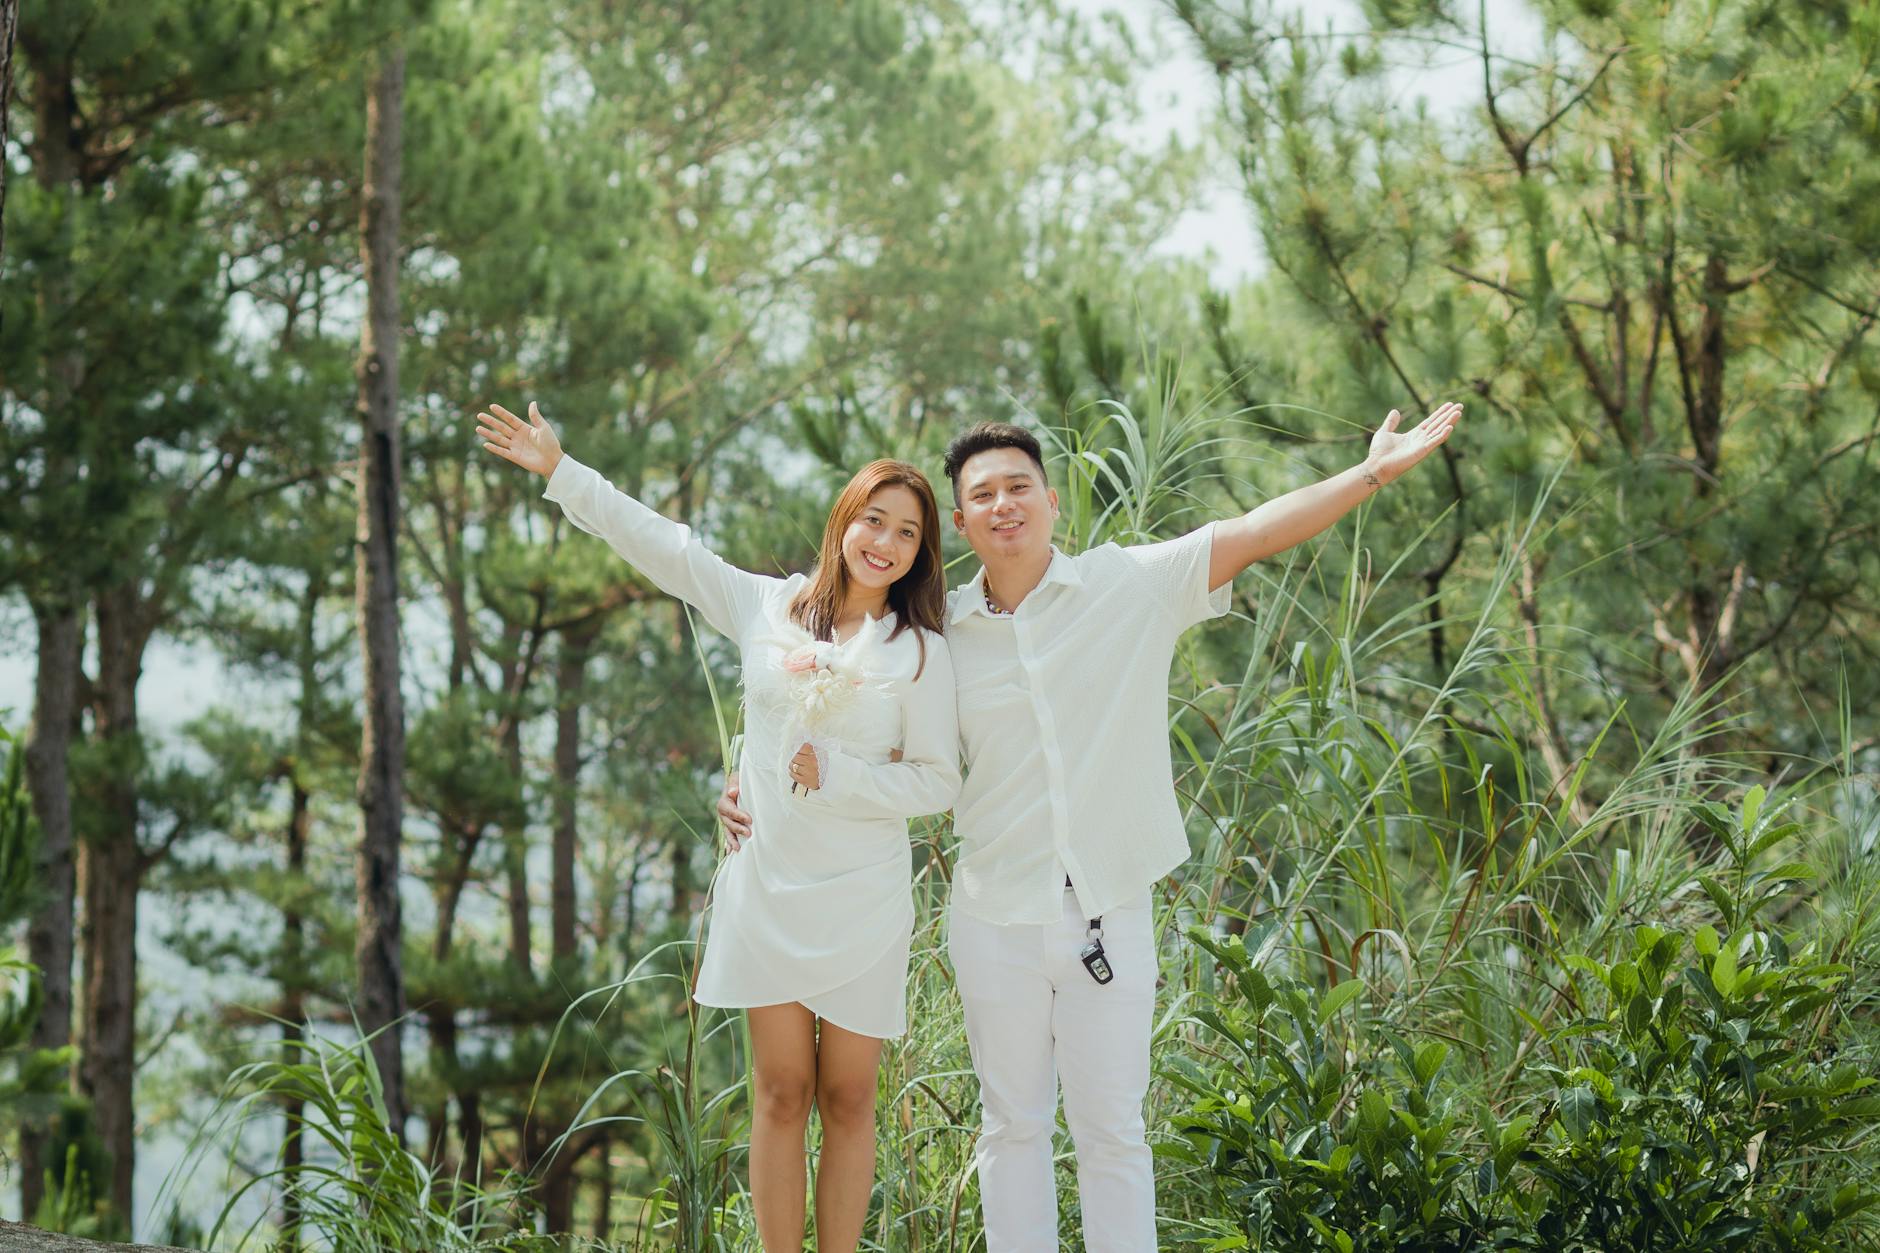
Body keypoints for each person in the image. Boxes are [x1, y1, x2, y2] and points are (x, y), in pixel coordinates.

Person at [718, 402, 1463, 1251]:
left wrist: (1370, 473)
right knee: (1011, 1131)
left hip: (1108, 906)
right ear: (957, 524)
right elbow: (845, 719)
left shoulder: (1129, 584)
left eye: (1019, 487)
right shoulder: (939, 634)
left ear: (1052, 499)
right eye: (983, 494)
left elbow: (1254, 530)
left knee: (1114, 1132)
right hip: (993, 911)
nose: (1004, 504)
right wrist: (747, 782)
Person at [474, 401, 961, 1253]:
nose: (885, 542)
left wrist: (838, 776)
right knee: (778, 1092)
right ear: (844, 522)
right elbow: (668, 547)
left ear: (921, 553)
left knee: (848, 1098)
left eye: (908, 533)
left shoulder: (918, 652)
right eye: (873, 520)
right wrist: (561, 470)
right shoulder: (764, 608)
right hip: (766, 882)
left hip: (863, 897)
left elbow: (939, 781)